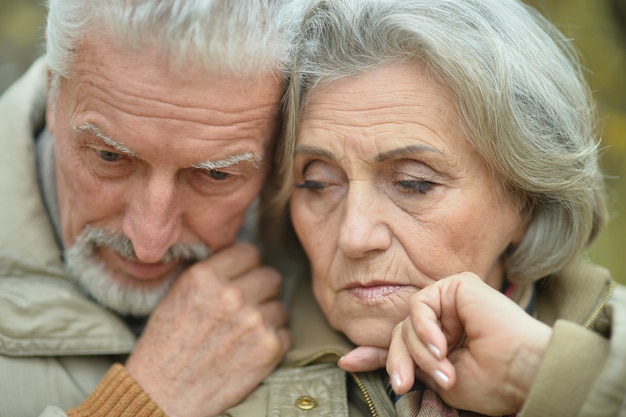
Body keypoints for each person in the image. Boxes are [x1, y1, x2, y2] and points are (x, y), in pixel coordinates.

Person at [225, 0, 626, 415]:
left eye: (413, 184)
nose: (354, 237)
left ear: (527, 202)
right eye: (317, 183)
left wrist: (543, 374)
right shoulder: (214, 376)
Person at [0, 0, 304, 416]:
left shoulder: (339, 267)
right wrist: (139, 404)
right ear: (55, 93)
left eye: (216, 175)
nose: (150, 242)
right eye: (110, 156)